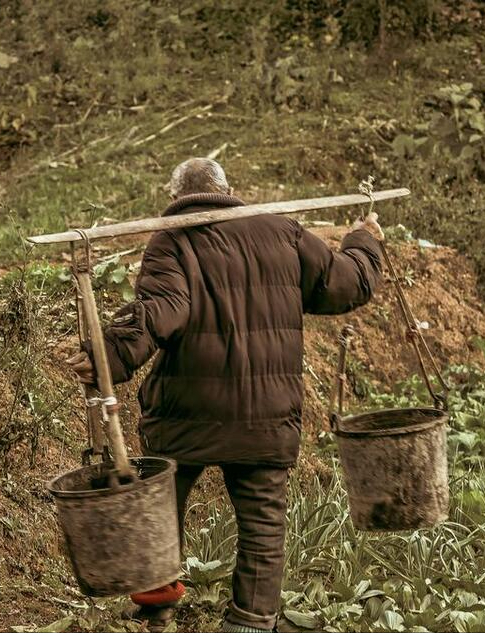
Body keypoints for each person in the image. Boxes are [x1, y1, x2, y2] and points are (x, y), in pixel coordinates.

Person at [66, 158, 384, 633]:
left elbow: (162, 311)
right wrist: (364, 239)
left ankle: (157, 610)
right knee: (262, 525)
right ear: (229, 189)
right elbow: (347, 283)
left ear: (174, 197)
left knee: (160, 508)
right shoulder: (283, 232)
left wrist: (108, 353)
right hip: (267, 413)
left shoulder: (171, 242)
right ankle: (251, 621)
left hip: (187, 413)